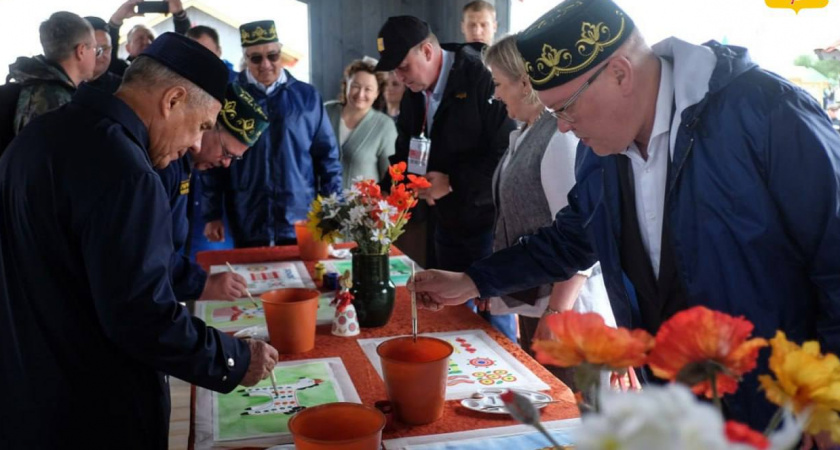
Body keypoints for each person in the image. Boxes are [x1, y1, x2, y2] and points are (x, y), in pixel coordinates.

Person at [410, 0, 840, 441]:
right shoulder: (601, 153)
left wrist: (827, 401)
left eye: (565, 109)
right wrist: (473, 281)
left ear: (620, 73)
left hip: (782, 406)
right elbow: (571, 239)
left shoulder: (765, 113)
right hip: (678, 405)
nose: (563, 128)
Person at [0, 33, 278, 448]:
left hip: (25, 399)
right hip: (94, 412)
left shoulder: (36, 136)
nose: (196, 143)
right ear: (173, 100)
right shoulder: (127, 172)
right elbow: (141, 316)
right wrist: (232, 359)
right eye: (202, 126)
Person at [482, 35, 615, 389]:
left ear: (525, 83)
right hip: (539, 303)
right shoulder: (526, 132)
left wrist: (558, 311)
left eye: (498, 83)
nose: (495, 94)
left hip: (570, 312)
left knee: (575, 407)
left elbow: (581, 235)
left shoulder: (558, 137)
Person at [374, 16, 517, 342]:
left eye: (403, 67)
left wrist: (453, 182)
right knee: (451, 317)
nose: (399, 77)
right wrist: (383, 194)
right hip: (446, 221)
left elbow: (505, 153)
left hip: (488, 223)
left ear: (427, 51)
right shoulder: (414, 90)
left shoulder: (481, 76)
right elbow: (405, 150)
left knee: (494, 320)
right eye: (394, 70)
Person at [202, 20, 341, 248]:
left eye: (273, 56)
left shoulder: (307, 97)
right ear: (246, 58)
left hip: (300, 219)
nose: (265, 64)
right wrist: (212, 214)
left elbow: (328, 159)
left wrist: (331, 210)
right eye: (256, 58)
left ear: (281, 53)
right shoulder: (229, 96)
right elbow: (212, 161)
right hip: (246, 216)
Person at [157, 83, 269, 301]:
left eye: (234, 158)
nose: (226, 164)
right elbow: (150, 254)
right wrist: (201, 284)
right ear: (206, 124)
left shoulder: (185, 163)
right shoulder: (165, 161)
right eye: (226, 152)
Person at [8, 11, 97, 134]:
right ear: (81, 51)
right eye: (95, 49)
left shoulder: (43, 87)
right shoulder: (53, 101)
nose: (96, 56)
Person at [325, 60, 397, 189]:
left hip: (363, 202)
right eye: (355, 86)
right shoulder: (325, 112)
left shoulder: (385, 126)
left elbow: (389, 178)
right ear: (346, 85)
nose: (360, 94)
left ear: (377, 93)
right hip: (319, 200)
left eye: (368, 89)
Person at [107, 0, 192, 76]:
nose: (147, 42)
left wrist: (179, 14)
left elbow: (182, 46)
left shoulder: (168, 68)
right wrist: (116, 19)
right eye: (140, 38)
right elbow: (107, 53)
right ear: (128, 48)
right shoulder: (120, 71)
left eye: (151, 38)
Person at [83, 16, 122, 94]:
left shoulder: (123, 88)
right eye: (94, 48)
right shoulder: (62, 87)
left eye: (105, 48)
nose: (100, 54)